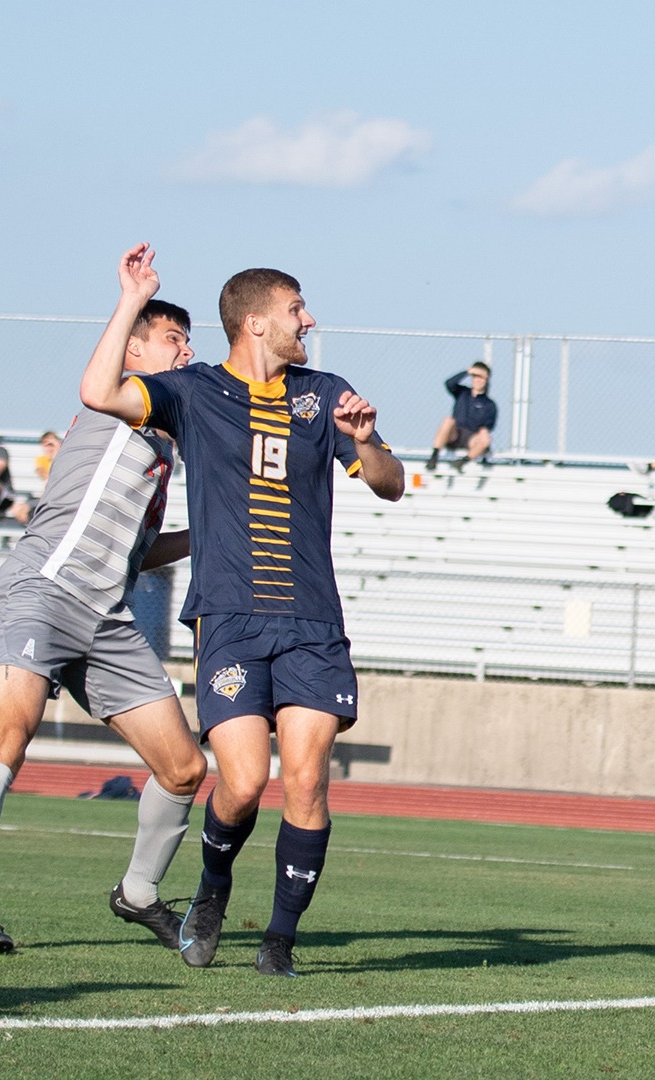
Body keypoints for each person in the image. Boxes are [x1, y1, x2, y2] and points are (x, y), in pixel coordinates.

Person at [80, 245, 404, 978]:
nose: (309, 320)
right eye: (297, 309)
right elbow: (99, 391)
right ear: (255, 323)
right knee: (245, 780)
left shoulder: (325, 393)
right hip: (228, 617)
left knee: (310, 777)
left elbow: (391, 484)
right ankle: (214, 886)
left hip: (312, 623)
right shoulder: (192, 391)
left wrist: (366, 441)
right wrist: (133, 299)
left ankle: (279, 944)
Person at [0, 253, 206, 957]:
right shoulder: (112, 402)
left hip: (106, 618)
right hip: (43, 590)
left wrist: (202, 537)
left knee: (184, 769)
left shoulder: (163, 449)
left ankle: (138, 893)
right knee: (10, 734)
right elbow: (97, 384)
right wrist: (133, 298)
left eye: (188, 339)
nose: (188, 348)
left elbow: (136, 554)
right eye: (175, 338)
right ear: (138, 349)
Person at [424, 362, 498, 472]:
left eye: (481, 377)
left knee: (485, 436)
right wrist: (468, 371)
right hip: (455, 435)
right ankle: (434, 456)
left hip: (472, 438)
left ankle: (463, 461)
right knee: (448, 421)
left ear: (486, 379)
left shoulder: (489, 404)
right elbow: (449, 383)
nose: (478, 380)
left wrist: (483, 433)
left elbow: (487, 428)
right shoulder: (462, 393)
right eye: (476, 376)